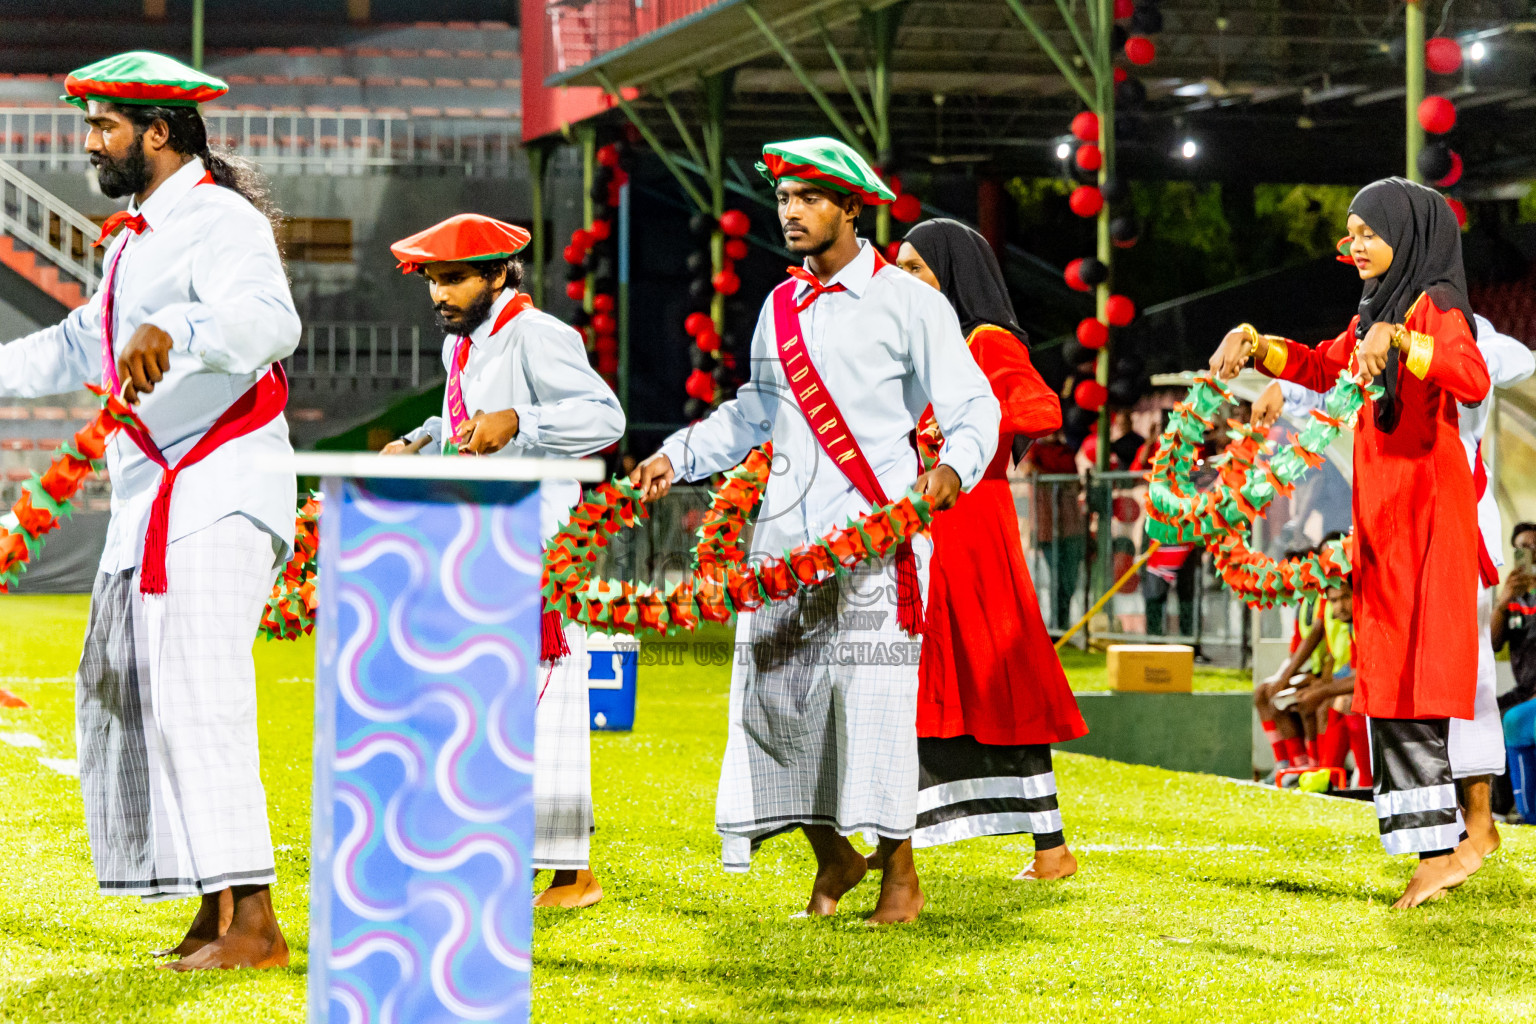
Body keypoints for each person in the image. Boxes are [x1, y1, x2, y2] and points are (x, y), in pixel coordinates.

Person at [631, 138, 1000, 924]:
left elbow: (975, 407)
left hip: (880, 538)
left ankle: (900, 878)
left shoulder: (910, 302)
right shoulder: (779, 306)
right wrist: (678, 455)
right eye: (784, 198)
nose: (790, 212)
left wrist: (954, 469)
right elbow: (755, 414)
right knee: (772, 708)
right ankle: (835, 852)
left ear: (849, 207)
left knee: (871, 707)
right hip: (785, 546)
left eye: (807, 198)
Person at [0, 52, 298, 968]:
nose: (91, 143)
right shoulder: (131, 241)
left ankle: (255, 924)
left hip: (216, 491)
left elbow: (270, 322)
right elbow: (75, 345)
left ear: (157, 131)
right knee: (142, 698)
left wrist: (183, 331)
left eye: (104, 127)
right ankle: (214, 916)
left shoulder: (219, 219)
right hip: (157, 501)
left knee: (198, 700)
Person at [1208, 177, 1490, 909]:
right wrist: (1256, 343)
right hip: (1387, 519)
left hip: (1426, 514)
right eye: (1350, 233)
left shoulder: (1434, 304)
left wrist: (1404, 341)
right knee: (1392, 681)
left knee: (1415, 682)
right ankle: (1434, 847)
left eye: (1369, 230)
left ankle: (1442, 851)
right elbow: (1318, 364)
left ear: (1408, 232)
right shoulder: (1378, 309)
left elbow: (1470, 375)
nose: (1355, 245)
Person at [384, 213, 625, 908]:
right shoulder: (464, 344)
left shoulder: (538, 334)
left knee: (545, 702)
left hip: (537, 537)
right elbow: (464, 420)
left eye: (454, 278)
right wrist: (419, 439)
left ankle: (573, 875)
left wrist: (523, 421)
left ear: (498, 274)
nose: (439, 294)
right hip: (477, 532)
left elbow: (604, 420)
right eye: (432, 280)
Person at [1257, 315, 1534, 840]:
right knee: (1403, 678)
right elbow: (1333, 378)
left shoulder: (1457, 324)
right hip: (1398, 534)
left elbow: (1507, 362)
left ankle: (1477, 821)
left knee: (1466, 671)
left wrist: (1424, 348)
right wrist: (1277, 381)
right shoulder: (1374, 327)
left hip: (1458, 529)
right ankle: (1429, 821)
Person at [889, 218, 1087, 880]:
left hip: (974, 528)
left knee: (992, 675)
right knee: (952, 678)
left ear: (952, 272)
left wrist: (973, 417)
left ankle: (909, 852)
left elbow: (1041, 410)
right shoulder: (932, 347)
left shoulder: (986, 341)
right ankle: (1047, 848)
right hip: (936, 532)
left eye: (915, 267)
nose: (902, 278)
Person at [1021, 431, 1083, 629]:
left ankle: (1061, 625)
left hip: (1071, 525)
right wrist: (1060, 480)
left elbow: (1076, 483)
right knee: (1057, 577)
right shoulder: (1035, 450)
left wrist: (1054, 479)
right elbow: (1029, 469)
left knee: (1069, 579)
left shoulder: (1067, 452)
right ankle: (1056, 627)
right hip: (1047, 527)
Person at [1495, 524, 1536, 819]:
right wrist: (1503, 601)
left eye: (1535, 547)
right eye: (1523, 547)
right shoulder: (1513, 598)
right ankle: (1497, 808)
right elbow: (1493, 644)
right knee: (1484, 717)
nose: (1530, 554)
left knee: (1514, 720)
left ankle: (1525, 809)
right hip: (1524, 689)